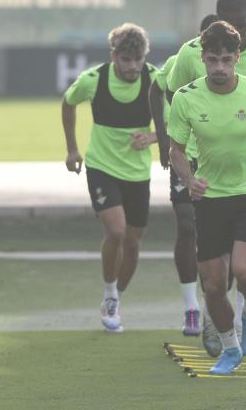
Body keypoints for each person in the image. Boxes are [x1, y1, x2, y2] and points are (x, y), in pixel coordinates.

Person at [166, 0, 246, 356]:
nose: (219, 67)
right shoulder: (186, 97)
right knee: (215, 284)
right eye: (212, 60)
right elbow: (175, 148)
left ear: (238, 58)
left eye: (226, 59)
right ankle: (230, 347)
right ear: (201, 59)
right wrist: (189, 180)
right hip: (210, 198)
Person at [62, 23, 158, 333]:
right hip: (102, 166)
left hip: (138, 172)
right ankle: (109, 293)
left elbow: (174, 122)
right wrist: (73, 150)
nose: (132, 67)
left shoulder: (154, 80)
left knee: (132, 242)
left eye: (137, 60)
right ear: (113, 55)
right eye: (126, 60)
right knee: (116, 232)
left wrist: (153, 137)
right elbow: (68, 102)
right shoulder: (94, 80)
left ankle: (117, 295)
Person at [149, 14, 219, 337]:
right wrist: (164, 139)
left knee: (222, 234)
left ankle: (215, 305)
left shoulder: (242, 63)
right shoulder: (184, 58)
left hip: (221, 158)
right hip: (187, 154)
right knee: (187, 224)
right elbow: (157, 89)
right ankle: (191, 305)